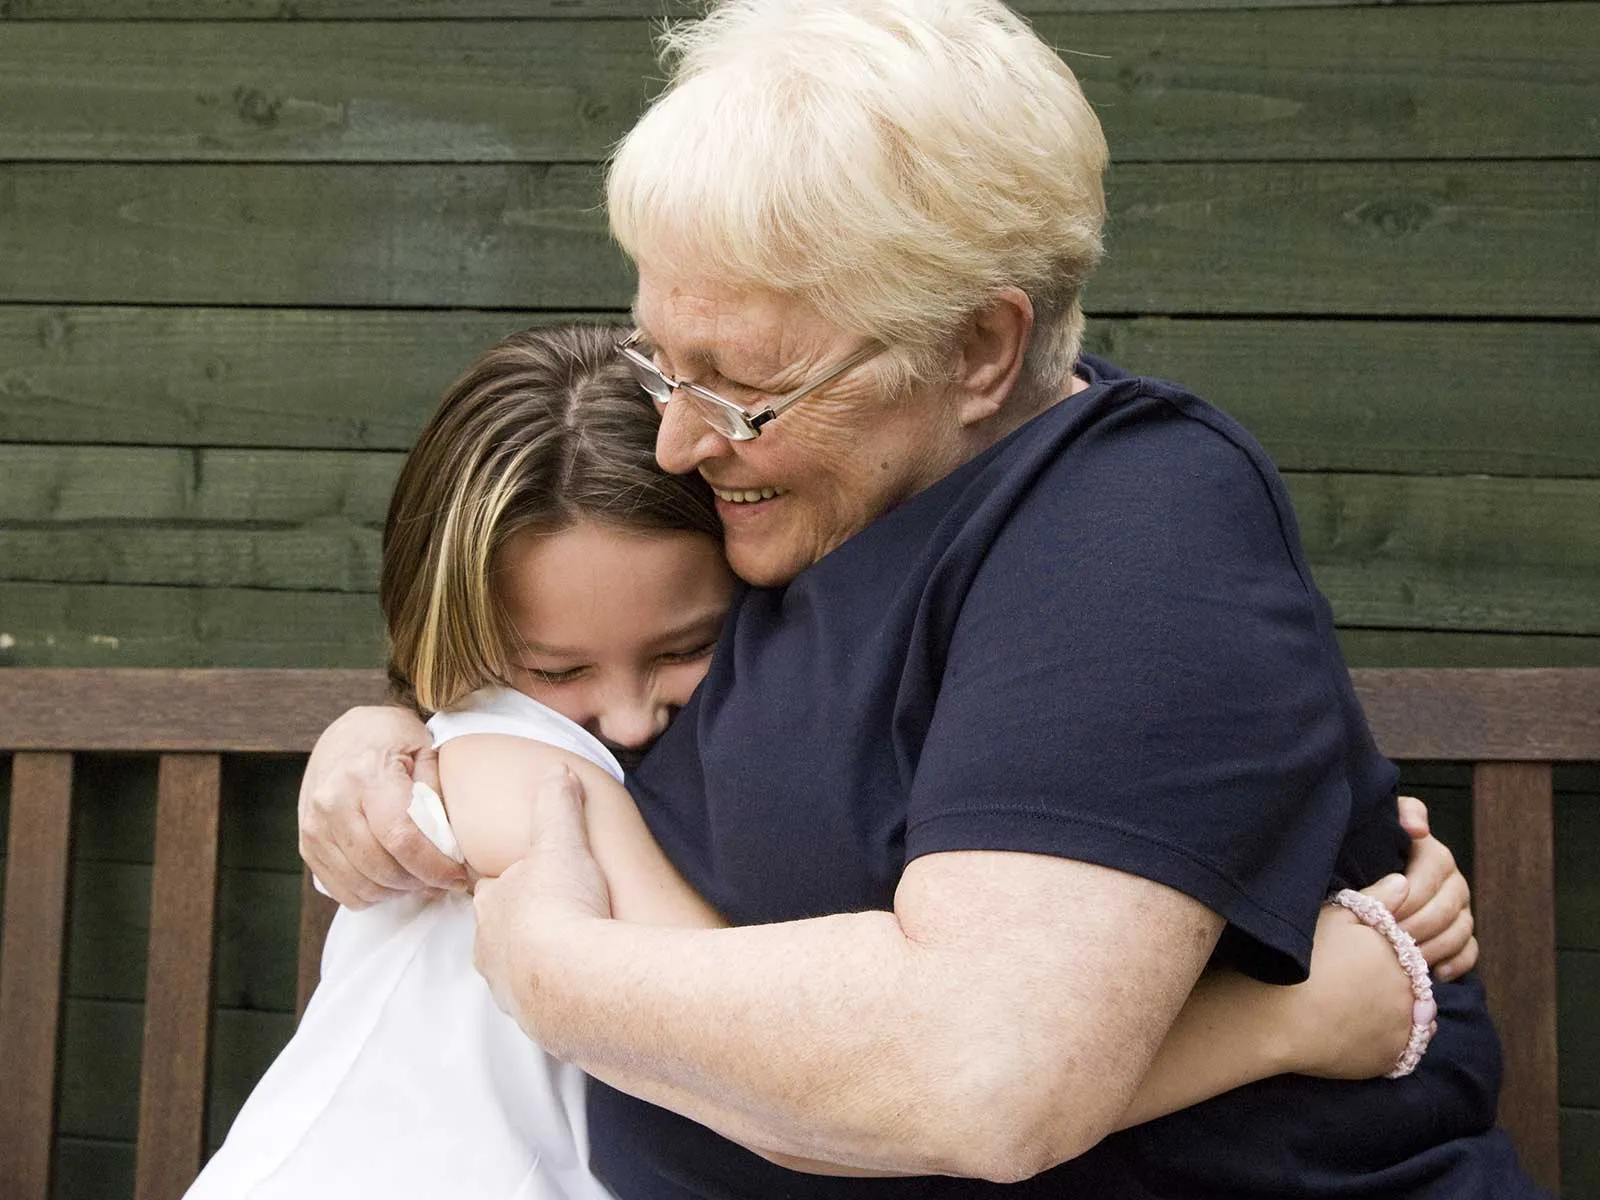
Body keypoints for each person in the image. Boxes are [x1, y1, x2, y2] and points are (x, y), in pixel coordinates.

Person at [299, 0, 1538, 1194]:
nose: (679, 440)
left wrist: (552, 971)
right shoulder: (802, 506)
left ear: (980, 351)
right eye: (662, 362)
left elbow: (979, 1076)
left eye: (739, 388)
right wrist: (405, 725)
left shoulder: (1123, 529)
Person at [198, 324, 1449, 1200]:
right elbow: (785, 1084)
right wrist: (1298, 1017)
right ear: (454, 642)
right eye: (560, 670)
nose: (627, 717)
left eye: (686, 647)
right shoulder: (515, 768)